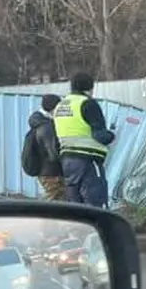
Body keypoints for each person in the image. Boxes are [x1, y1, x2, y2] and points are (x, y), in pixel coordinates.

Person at [53, 72, 115, 208]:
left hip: (67, 162)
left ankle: (77, 229)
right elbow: (99, 135)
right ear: (90, 87)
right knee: (95, 204)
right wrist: (111, 135)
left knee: (75, 206)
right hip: (88, 161)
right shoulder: (88, 104)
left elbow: (56, 138)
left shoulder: (60, 106)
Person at [24, 94, 66, 200]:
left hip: (46, 172)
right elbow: (53, 154)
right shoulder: (47, 127)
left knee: (57, 199)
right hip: (52, 172)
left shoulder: (39, 123)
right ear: (54, 108)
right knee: (55, 200)